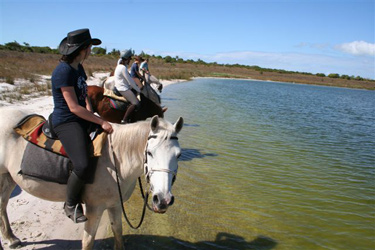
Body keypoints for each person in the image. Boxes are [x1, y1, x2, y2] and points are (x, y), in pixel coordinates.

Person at [51, 28, 113, 223]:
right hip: (66, 120)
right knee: (82, 163)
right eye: (90, 47)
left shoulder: (79, 67)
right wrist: (101, 121)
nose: (91, 51)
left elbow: (83, 92)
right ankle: (70, 204)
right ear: (83, 49)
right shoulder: (63, 71)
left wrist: (90, 109)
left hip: (80, 115)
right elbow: (73, 107)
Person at [114, 49, 142, 124]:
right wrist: (138, 89)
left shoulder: (120, 66)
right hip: (122, 88)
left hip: (121, 86)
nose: (130, 60)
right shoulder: (123, 68)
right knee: (136, 103)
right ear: (126, 58)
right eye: (129, 58)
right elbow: (130, 81)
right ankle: (124, 120)